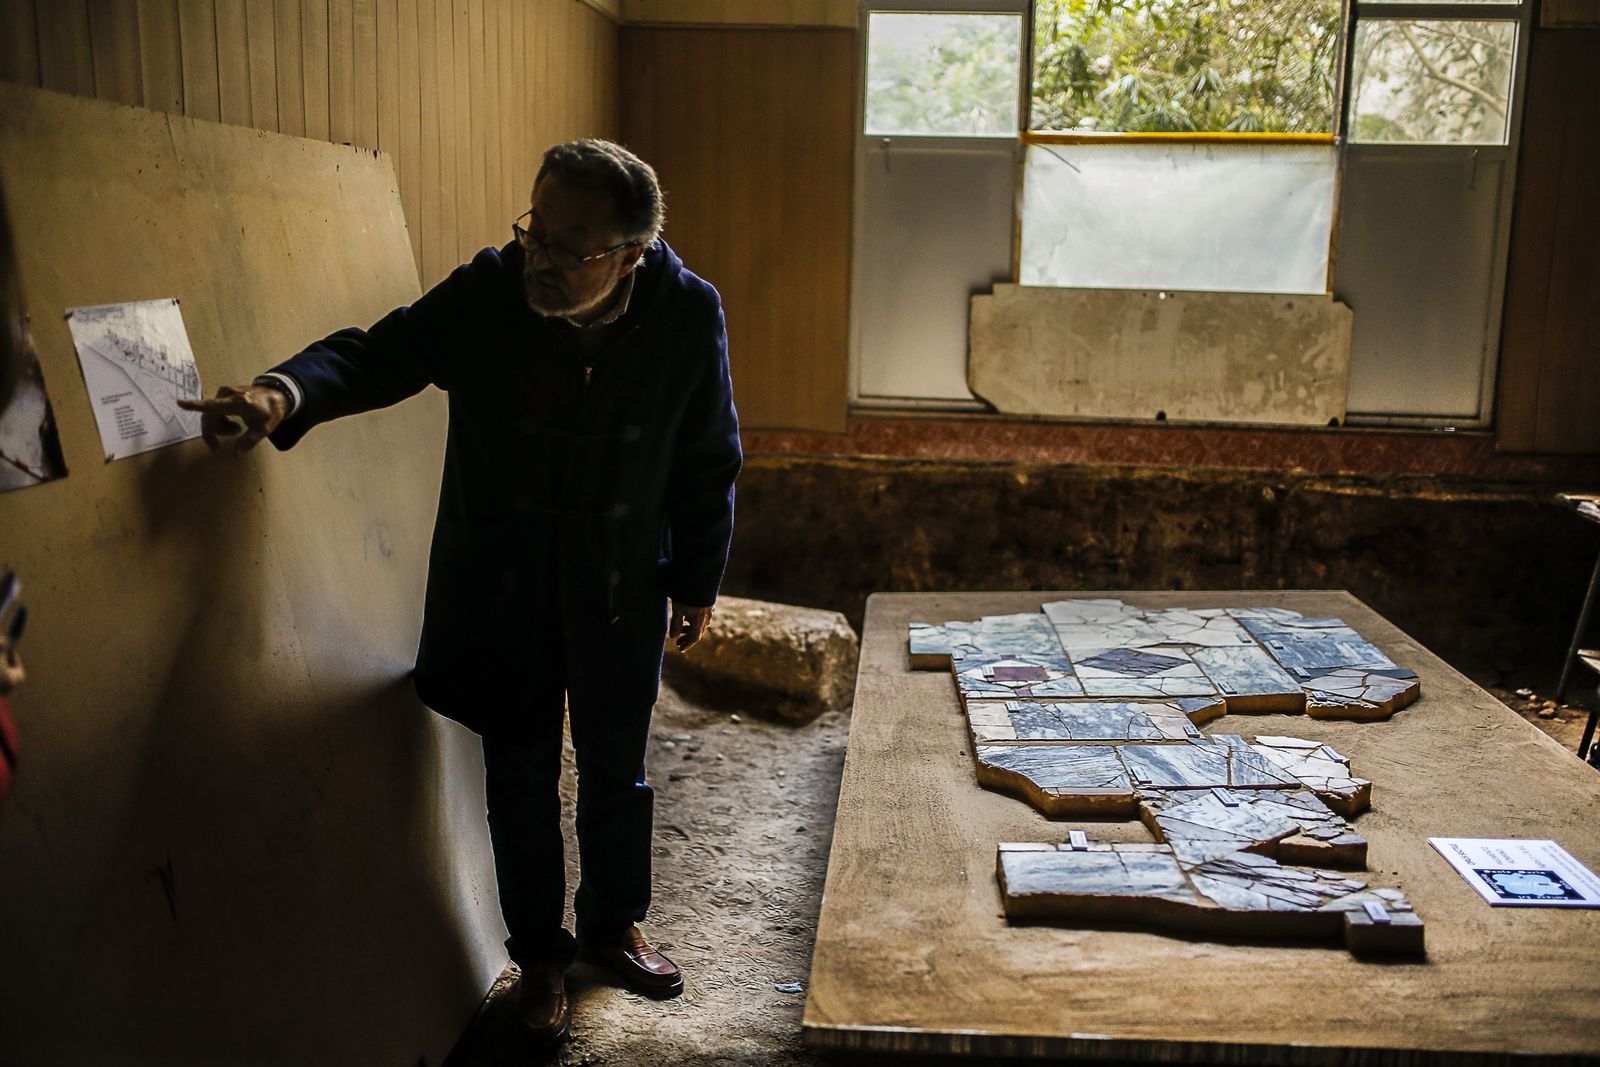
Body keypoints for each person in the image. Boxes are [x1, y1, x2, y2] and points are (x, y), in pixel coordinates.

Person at [180, 139, 741, 1047]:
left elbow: (709, 457)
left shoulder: (685, 312)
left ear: (633, 253)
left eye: (572, 247)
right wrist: (283, 395)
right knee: (517, 773)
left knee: (615, 768)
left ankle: (611, 925)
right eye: (535, 232)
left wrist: (696, 580)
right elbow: (378, 353)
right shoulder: (490, 294)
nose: (542, 260)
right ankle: (542, 954)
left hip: (616, 586)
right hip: (504, 583)